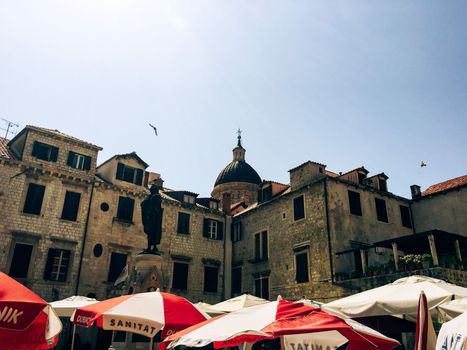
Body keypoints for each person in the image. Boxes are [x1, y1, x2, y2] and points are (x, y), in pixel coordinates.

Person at [140, 183, 164, 253]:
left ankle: (152, 247)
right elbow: (144, 203)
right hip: (150, 218)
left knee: (152, 233)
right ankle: (151, 247)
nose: (151, 191)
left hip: (153, 219)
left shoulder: (157, 197)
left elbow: (156, 208)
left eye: (152, 189)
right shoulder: (151, 197)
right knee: (150, 233)